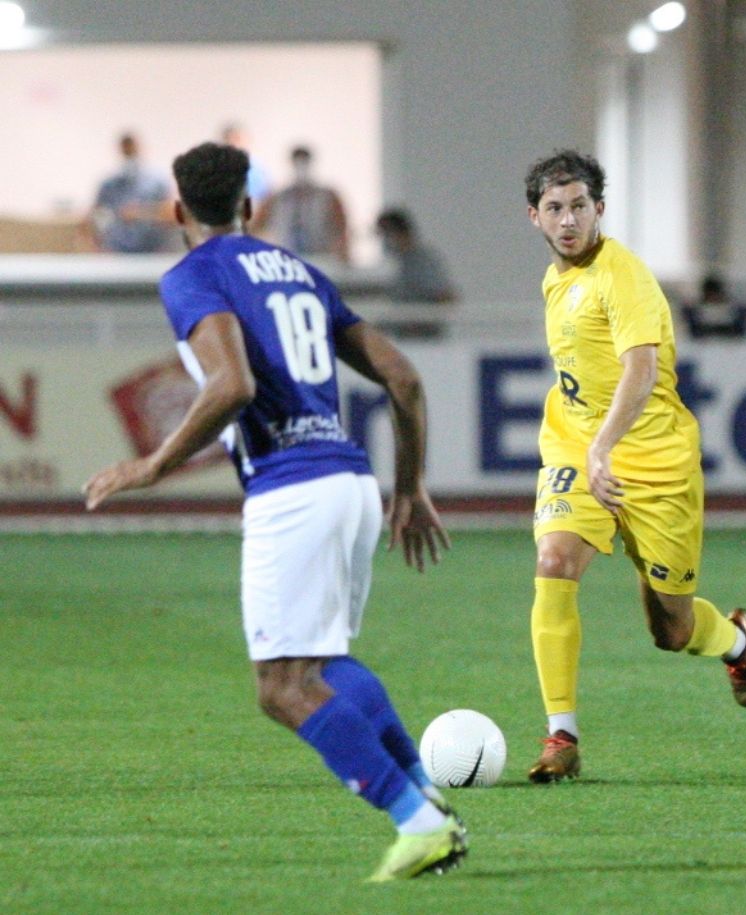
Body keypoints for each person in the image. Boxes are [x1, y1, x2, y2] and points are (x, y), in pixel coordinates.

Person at [82, 141, 467, 881]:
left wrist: (153, 465)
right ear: (249, 207)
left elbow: (231, 387)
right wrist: (409, 485)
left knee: (283, 687)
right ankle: (425, 794)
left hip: (292, 487)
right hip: (351, 481)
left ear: (177, 212)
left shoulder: (194, 274)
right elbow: (404, 379)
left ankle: (417, 821)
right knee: (323, 663)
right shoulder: (303, 271)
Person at [522, 150, 746, 783]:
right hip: (577, 448)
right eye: (555, 208)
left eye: (580, 206)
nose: (568, 219)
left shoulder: (622, 276)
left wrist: (606, 447)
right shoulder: (556, 279)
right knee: (553, 562)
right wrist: (589, 448)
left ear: (600, 209)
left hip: (654, 463)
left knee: (671, 627)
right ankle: (561, 736)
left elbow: (642, 368)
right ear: (535, 218)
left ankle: (737, 642)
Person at [252, 146, 350, 263]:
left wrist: (343, 253)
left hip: (321, 257)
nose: (301, 168)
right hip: (286, 258)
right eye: (298, 162)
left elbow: (342, 229)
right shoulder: (277, 198)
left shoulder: (328, 197)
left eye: (304, 162)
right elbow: (255, 227)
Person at [86, 132, 172, 253]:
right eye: (126, 150)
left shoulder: (157, 182)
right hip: (117, 250)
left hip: (152, 250)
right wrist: (96, 245)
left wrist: (140, 213)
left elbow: (169, 213)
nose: (130, 153)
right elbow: (95, 214)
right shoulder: (109, 184)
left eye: (131, 148)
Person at [681, 274, 746, 340]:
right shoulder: (695, 309)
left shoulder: (734, 308)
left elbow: (740, 330)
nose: (713, 298)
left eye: (714, 295)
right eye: (710, 295)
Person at [220, 123, 273, 206]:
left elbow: (267, 195)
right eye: (231, 140)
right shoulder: (219, 169)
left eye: (238, 139)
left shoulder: (258, 169)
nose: (235, 144)